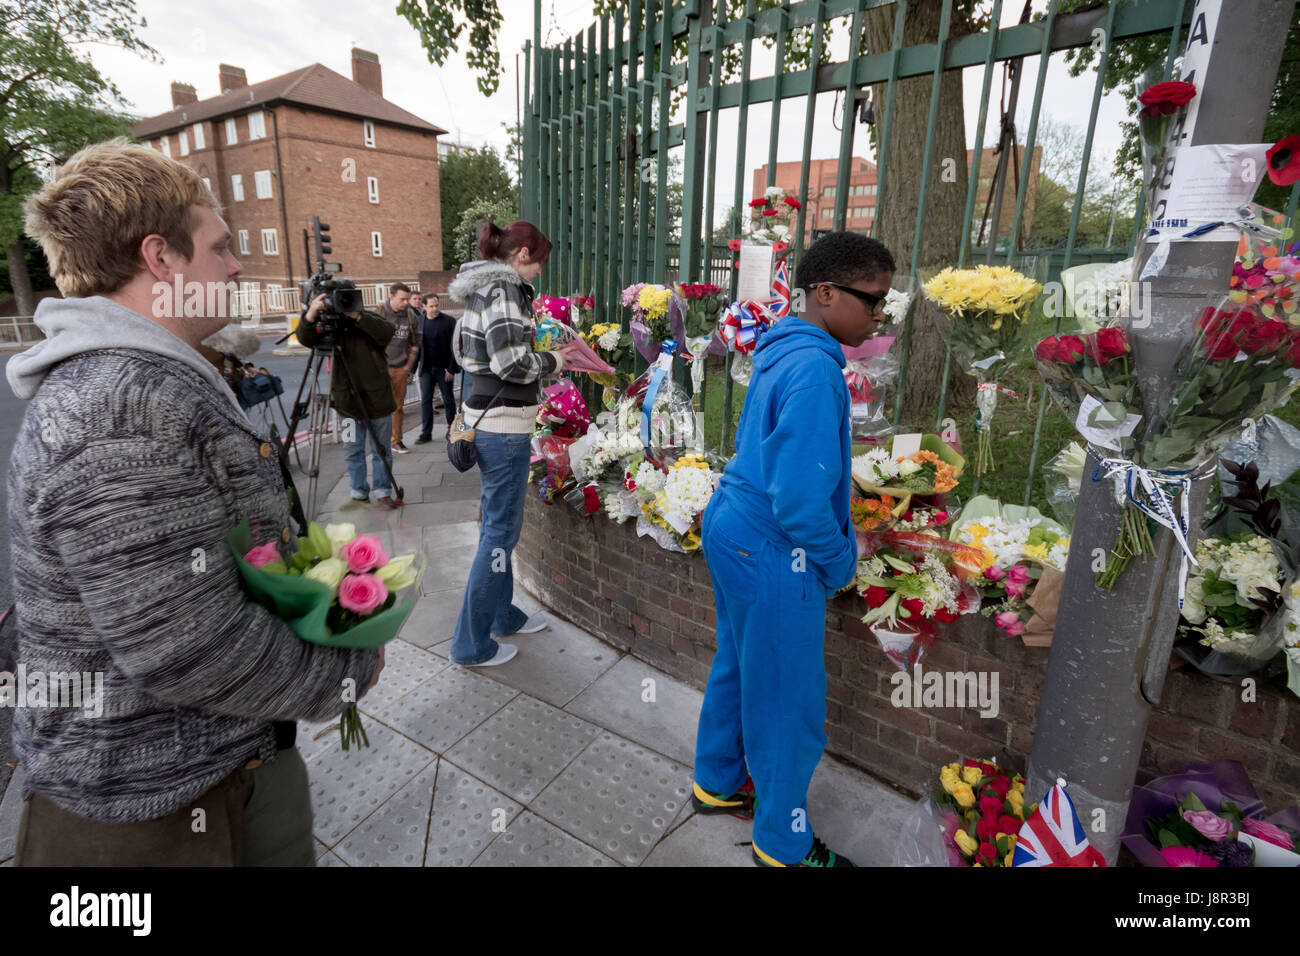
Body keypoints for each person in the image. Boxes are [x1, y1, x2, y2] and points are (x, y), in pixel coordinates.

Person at [5, 138, 383, 866]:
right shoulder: (120, 409)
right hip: (162, 810)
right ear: (161, 259)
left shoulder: (139, 379)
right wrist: (346, 674)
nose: (237, 265)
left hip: (204, 776)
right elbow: (185, 649)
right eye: (220, 247)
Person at [690, 231, 895, 868]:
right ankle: (783, 843)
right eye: (873, 300)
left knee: (740, 662)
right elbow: (801, 502)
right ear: (827, 293)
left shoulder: (788, 348)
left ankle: (717, 781)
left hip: (735, 526)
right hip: (775, 549)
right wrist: (839, 562)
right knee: (788, 704)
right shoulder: (816, 370)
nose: (880, 315)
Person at [447, 220, 587, 666]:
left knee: (498, 530)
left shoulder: (482, 290)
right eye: (540, 261)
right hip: (503, 429)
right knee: (498, 535)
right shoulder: (504, 290)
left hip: (488, 424)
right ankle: (471, 645)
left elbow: (465, 352)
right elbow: (511, 364)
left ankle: (503, 615)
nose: (541, 271)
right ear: (523, 254)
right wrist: (555, 359)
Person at [296, 296, 401, 509]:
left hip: (377, 402)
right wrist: (310, 315)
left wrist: (356, 316)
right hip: (347, 406)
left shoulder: (367, 318)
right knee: (352, 449)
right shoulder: (326, 324)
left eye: (345, 297)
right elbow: (305, 339)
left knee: (381, 450)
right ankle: (358, 491)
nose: (340, 303)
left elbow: (387, 332)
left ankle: (383, 492)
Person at [380, 282, 420, 454]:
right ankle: (381, 441)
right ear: (391, 297)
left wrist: (408, 366)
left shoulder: (410, 316)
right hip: (380, 368)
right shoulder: (379, 313)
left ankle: (396, 441)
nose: (406, 303)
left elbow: (415, 344)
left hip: (400, 368)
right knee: (379, 407)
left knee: (397, 407)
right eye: (402, 299)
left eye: (407, 299)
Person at [415, 293, 459, 443]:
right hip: (426, 368)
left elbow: (455, 347)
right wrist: (413, 368)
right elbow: (417, 346)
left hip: (444, 369)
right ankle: (426, 433)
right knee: (425, 401)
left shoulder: (449, 321)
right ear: (424, 306)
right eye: (431, 306)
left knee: (448, 399)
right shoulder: (419, 321)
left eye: (436, 305)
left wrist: (452, 368)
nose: (435, 308)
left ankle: (452, 430)